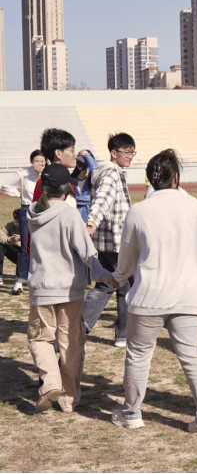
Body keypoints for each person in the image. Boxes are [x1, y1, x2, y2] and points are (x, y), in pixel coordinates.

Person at [109, 149, 197, 436]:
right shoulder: (195, 210)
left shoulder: (138, 211)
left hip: (149, 298)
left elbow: (125, 260)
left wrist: (117, 277)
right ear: (176, 178)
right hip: (188, 297)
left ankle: (131, 413)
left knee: (138, 355)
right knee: (192, 357)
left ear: (151, 179)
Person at [27, 164, 111, 413]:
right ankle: (68, 398)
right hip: (70, 290)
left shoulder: (33, 212)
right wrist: (104, 274)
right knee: (71, 344)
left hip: (41, 289)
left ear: (43, 187)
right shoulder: (70, 214)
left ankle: (50, 380)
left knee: (40, 338)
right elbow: (87, 252)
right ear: (66, 189)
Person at [83, 133, 135, 347]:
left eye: (132, 152)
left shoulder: (107, 172)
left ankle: (118, 334)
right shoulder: (111, 174)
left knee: (111, 286)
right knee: (121, 287)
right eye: (126, 152)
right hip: (116, 241)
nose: (130, 156)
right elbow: (103, 199)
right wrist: (92, 221)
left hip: (107, 242)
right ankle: (120, 334)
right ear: (114, 153)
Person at [1, 150, 45, 294]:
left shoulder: (48, 174)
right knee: (26, 245)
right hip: (27, 209)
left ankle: (41, 279)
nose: (40, 163)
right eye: (37, 161)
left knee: (42, 245)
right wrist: (19, 193)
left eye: (42, 161)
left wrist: (44, 174)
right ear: (31, 162)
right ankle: (19, 281)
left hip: (44, 210)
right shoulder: (23, 173)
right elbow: (5, 186)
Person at [71, 150, 98, 222]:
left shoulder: (93, 179)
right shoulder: (72, 179)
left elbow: (97, 170)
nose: (80, 163)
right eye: (78, 160)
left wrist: (86, 155)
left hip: (89, 219)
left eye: (84, 159)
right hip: (74, 219)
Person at [0, 209, 22, 285]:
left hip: (30, 256)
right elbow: (1, 235)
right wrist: (9, 239)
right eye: (16, 222)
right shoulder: (10, 226)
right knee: (0, 245)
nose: (18, 224)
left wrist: (23, 239)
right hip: (15, 253)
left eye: (20, 222)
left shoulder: (31, 226)